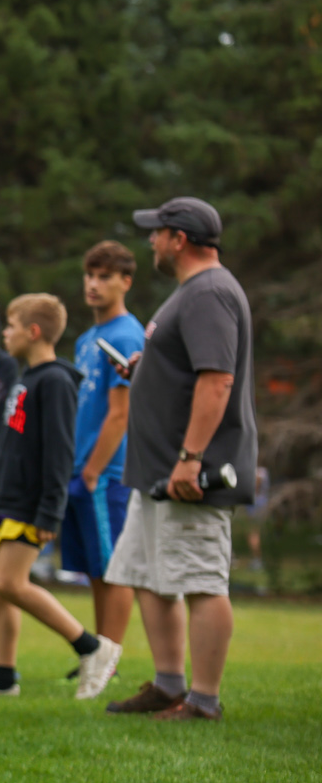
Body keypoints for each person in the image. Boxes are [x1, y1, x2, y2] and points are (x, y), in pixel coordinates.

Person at [104, 197, 256, 722]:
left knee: (199, 580)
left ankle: (204, 700)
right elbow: (192, 368)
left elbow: (218, 380)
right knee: (147, 574)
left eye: (157, 232)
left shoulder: (209, 293)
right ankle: (170, 685)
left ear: (179, 240)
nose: (151, 241)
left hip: (188, 470)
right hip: (158, 471)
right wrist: (149, 369)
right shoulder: (192, 293)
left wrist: (191, 458)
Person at [0, 294, 125, 698]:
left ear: (33, 331)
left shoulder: (56, 381)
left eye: (10, 326)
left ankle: (92, 647)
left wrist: (48, 513)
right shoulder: (27, 377)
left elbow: (60, 453)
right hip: (6, 499)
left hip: (30, 503)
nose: (4, 333)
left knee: (9, 582)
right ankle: (4, 679)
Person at [61, 240, 143, 669]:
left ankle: (108, 657)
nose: (93, 285)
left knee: (113, 568)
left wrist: (93, 471)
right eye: (90, 275)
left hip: (104, 473)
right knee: (94, 568)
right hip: (79, 469)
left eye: (105, 277)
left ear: (126, 282)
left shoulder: (127, 333)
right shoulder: (88, 338)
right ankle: (98, 651)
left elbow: (120, 414)